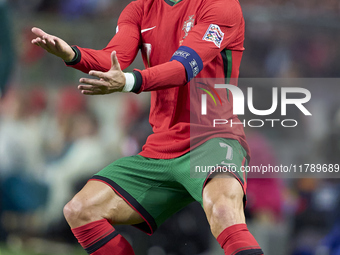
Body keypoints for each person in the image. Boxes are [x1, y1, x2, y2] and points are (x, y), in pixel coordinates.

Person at [31, 0, 264, 254]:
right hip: (161, 145)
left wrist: (130, 82)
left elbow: (183, 67)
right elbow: (114, 59)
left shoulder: (220, 6)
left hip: (212, 138)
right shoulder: (139, 8)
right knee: (80, 210)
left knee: (223, 211)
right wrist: (73, 54)